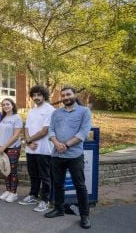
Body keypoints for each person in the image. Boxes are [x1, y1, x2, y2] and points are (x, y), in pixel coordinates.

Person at [45, 86, 92, 229]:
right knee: (58, 184)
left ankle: (84, 216)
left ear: (74, 95)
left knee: (80, 186)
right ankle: (59, 209)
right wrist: (56, 143)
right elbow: (51, 130)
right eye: (63, 95)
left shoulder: (84, 111)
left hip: (74, 155)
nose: (66, 97)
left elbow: (84, 132)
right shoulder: (56, 113)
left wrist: (65, 145)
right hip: (57, 155)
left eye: (68, 94)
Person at [19, 85, 55, 212]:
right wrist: (28, 142)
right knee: (33, 174)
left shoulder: (50, 110)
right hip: (31, 149)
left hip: (44, 150)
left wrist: (29, 140)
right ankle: (33, 195)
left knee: (45, 176)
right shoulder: (32, 110)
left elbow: (45, 131)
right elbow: (26, 128)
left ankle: (45, 200)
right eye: (34, 95)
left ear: (44, 95)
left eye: (39, 95)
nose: (36, 97)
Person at [0, 98, 23, 203]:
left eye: (7, 104)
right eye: (3, 105)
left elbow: (16, 136)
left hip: (13, 148)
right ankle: (8, 190)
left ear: (12, 105)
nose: (5, 106)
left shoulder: (17, 118)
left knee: (12, 171)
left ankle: (14, 193)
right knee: (5, 170)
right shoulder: (1, 118)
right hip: (2, 148)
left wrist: (4, 147)